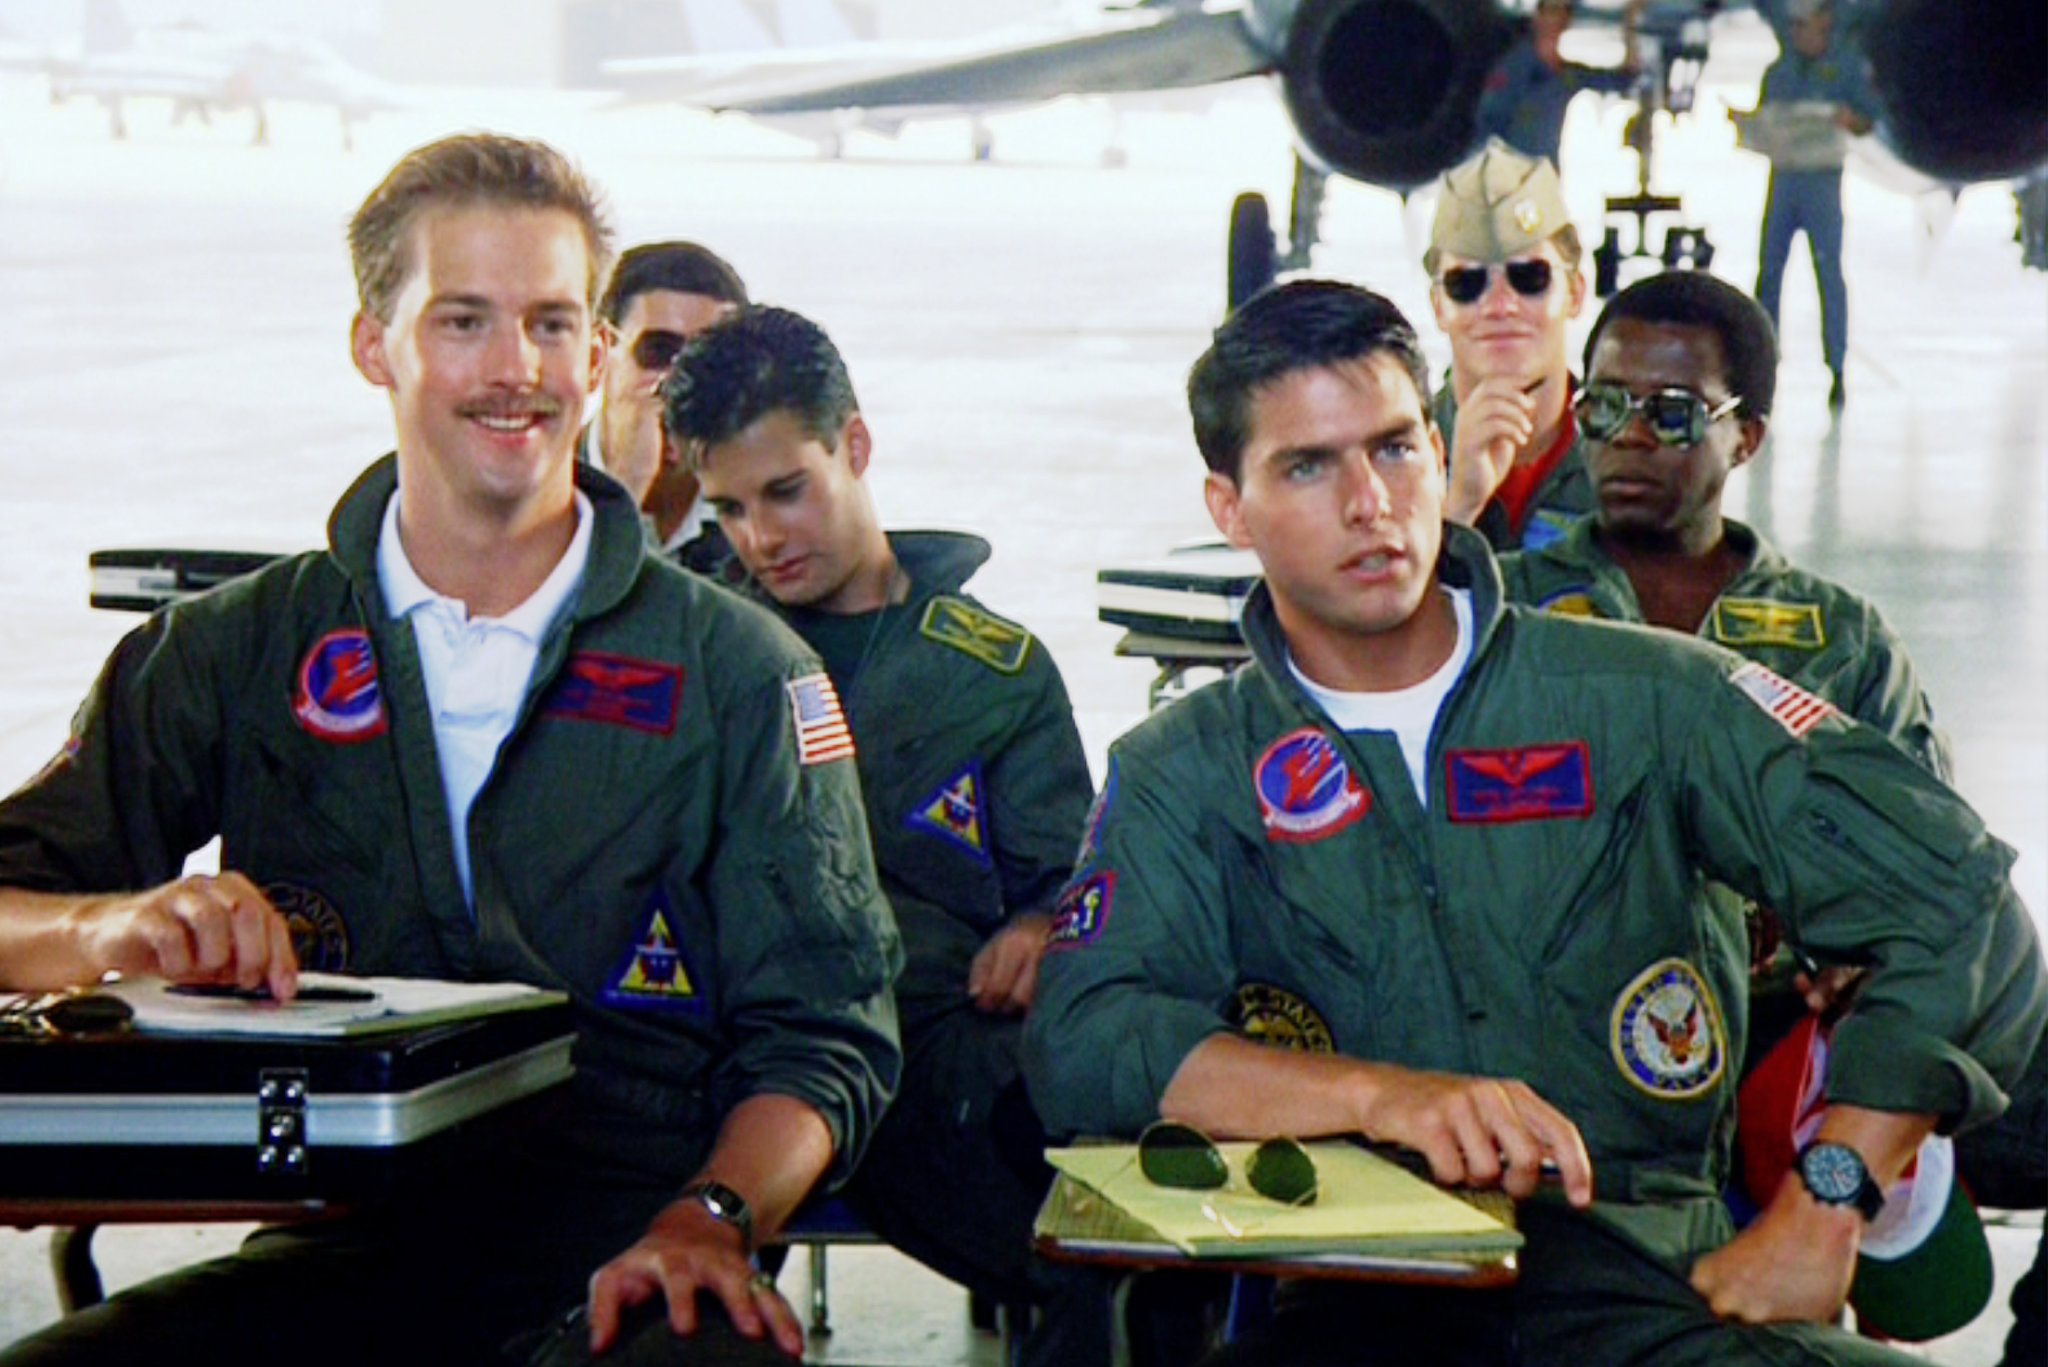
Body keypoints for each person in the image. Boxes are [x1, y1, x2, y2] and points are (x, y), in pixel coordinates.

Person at [1021, 277, 2047, 1367]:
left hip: (1651, 1296)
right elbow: (1087, 1035)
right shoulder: (1186, 768)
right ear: (1228, 508)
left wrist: (1825, 1194)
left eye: (1394, 447)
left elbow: (1964, 908)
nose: (1368, 502)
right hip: (1353, 1310)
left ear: (1439, 439)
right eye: (1306, 466)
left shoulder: (1649, 697)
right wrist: (1379, 1096)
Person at [0, 133, 902, 1367]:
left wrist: (712, 1217)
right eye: (462, 321)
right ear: (374, 342)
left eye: (548, 324)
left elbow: (829, 1031)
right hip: (342, 1254)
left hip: (636, 1260)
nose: (513, 370)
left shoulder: (743, 676)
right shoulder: (233, 651)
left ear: (593, 356)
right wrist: (104, 931)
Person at [1500, 266, 2045, 1366]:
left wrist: (1860, 969)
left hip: (1778, 1052)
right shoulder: (1505, 609)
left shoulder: (1835, 640)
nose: (1625, 439)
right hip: (1563, 1067)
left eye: (1667, 413)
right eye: (1600, 407)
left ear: (1741, 436)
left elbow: (1934, 874)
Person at [661, 305, 1111, 1367]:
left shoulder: (992, 671)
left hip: (936, 1059)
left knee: (1112, 1241)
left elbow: (1074, 878)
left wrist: (1044, 920)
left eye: (786, 490)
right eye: (727, 508)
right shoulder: (686, 653)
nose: (763, 537)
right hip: (730, 1058)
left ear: (853, 446)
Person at [1427, 138, 1595, 553]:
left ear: (1574, 293)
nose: (1500, 305)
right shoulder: (1393, 456)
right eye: (1466, 284)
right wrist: (1458, 510)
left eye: (1530, 277)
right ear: (1438, 307)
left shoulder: (1624, 457)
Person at [1740, 0, 1881, 409]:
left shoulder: (1846, 69)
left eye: (1808, 25)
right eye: (1796, 26)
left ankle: (1836, 367)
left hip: (1822, 181)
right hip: (1784, 179)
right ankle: (1762, 365)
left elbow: (1869, 119)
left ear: (1825, 23)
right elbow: (1764, 118)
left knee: (1828, 275)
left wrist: (1847, 119)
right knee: (1769, 273)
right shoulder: (1779, 72)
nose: (1801, 33)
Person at [585, 239, 747, 572]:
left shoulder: (752, 512)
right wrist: (626, 488)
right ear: (598, 356)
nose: (679, 381)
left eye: (708, 360)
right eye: (659, 351)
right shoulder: (536, 488)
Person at [1473, 0, 1644, 169]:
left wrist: (1631, 22)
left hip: (1543, 181)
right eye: (1552, 10)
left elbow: (1624, 78)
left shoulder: (1566, 75)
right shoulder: (1513, 70)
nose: (1558, 18)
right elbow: (1487, 128)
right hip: (1510, 180)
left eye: (1565, 11)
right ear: (1538, 16)